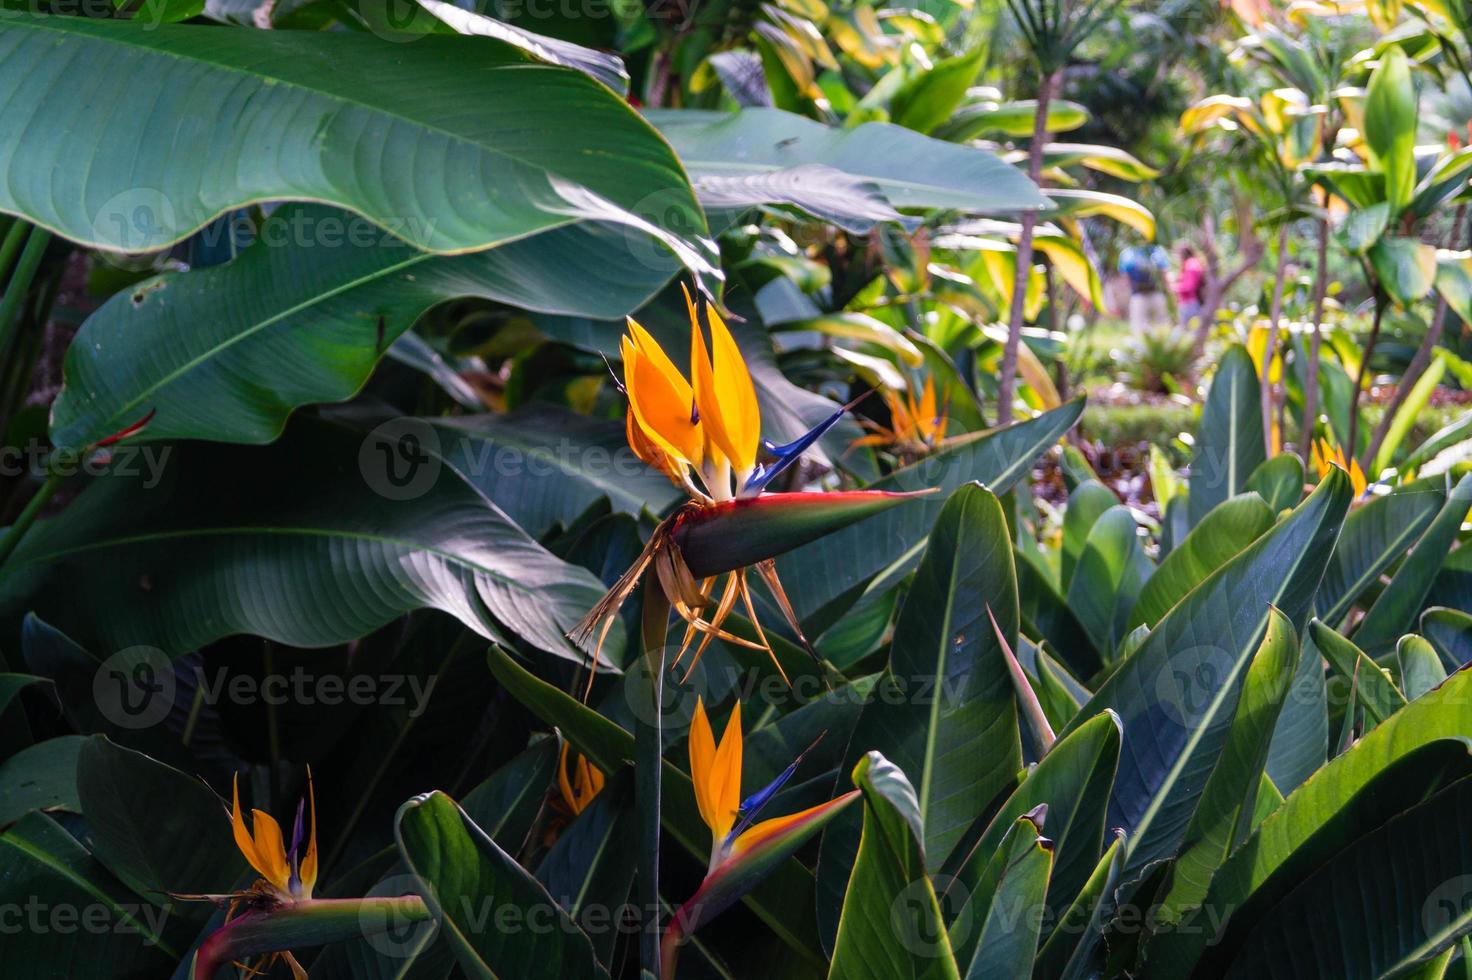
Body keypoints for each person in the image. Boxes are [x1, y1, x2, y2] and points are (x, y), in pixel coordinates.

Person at [1119, 242, 1170, 332]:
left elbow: (1164, 273)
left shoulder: (1157, 251)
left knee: (1162, 326)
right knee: (1139, 327)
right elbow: (1125, 277)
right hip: (1138, 294)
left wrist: (1168, 291)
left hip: (1156, 293)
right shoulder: (1127, 253)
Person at [1174, 241, 1205, 329]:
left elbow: (1190, 286)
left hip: (1190, 303)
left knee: (1190, 331)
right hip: (1192, 302)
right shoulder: (1194, 263)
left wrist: (1175, 288)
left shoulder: (1190, 264)